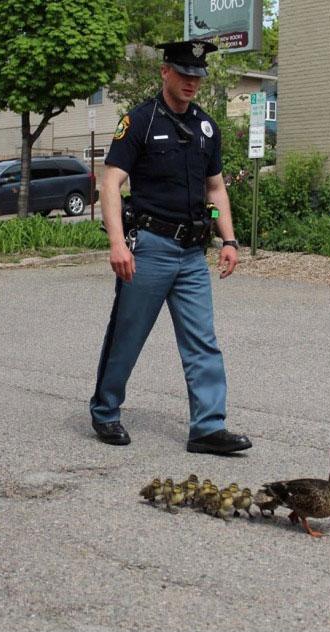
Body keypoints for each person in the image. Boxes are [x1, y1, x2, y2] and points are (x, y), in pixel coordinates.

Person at [89, 40, 252, 456]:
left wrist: (227, 238)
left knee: (203, 341)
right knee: (128, 334)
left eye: (197, 76)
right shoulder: (140, 122)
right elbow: (110, 182)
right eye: (184, 74)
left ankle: (207, 427)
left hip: (192, 255)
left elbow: (214, 190)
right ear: (165, 72)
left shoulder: (206, 129)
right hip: (149, 248)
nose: (191, 82)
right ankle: (106, 411)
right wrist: (116, 243)